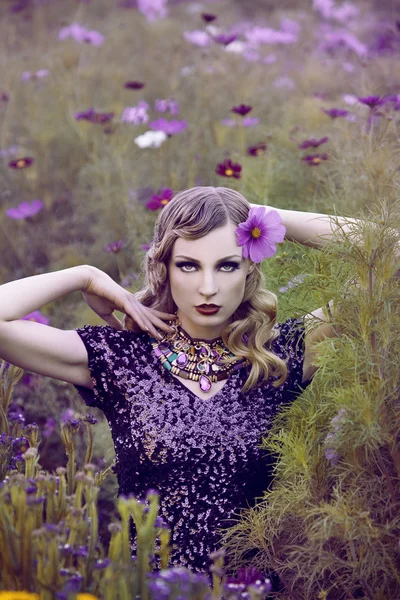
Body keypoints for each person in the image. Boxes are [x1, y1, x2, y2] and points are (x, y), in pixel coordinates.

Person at [0, 186, 346, 577]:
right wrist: (86, 276)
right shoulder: (122, 359)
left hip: (248, 589)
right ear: (163, 267)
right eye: (189, 265)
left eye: (227, 265)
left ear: (250, 267)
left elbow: (387, 255)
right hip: (149, 589)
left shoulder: (276, 359)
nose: (208, 287)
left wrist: (261, 215)